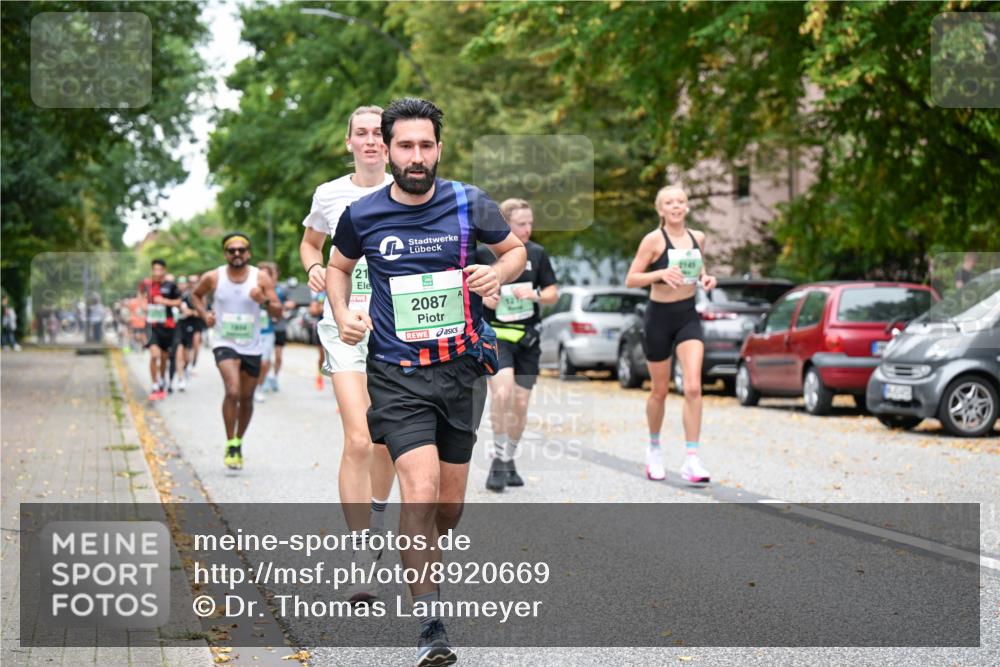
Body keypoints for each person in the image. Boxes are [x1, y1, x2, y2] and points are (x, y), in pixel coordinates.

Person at [327, 97, 526, 666]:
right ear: (386, 150)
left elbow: (513, 253)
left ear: (439, 148)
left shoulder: (470, 202)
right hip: (396, 373)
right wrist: (344, 315)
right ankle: (430, 625)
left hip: (462, 371)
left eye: (426, 146)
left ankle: (421, 555)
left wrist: (497, 270)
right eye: (406, 146)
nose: (417, 157)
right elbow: (338, 268)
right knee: (418, 489)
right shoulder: (362, 214)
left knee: (448, 506)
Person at [298, 105, 397, 602]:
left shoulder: (412, 190)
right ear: (349, 142)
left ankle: (377, 520)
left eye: (380, 133)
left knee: (385, 441)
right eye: (362, 133)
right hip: (345, 327)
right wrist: (315, 268)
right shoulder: (330, 194)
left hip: (399, 333)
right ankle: (361, 552)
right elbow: (310, 242)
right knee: (359, 439)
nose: (372, 141)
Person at [625, 184, 717, 484]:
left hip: (688, 315)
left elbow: (699, 270)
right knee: (660, 391)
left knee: (692, 387)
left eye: (680, 201)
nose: (676, 206)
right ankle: (654, 449)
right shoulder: (653, 240)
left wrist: (706, 278)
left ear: (687, 207)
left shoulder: (697, 238)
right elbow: (631, 279)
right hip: (658, 318)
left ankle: (692, 458)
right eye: (669, 202)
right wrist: (659, 274)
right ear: (661, 209)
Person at [477, 199, 558, 492]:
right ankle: (498, 460)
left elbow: (552, 293)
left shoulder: (537, 253)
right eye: (521, 223)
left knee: (521, 404)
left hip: (527, 338)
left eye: (530, 223)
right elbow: (462, 287)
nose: (527, 228)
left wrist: (535, 294)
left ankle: (509, 457)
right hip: (496, 336)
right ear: (506, 225)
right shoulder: (482, 253)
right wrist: (482, 298)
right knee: (503, 392)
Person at [190, 233, 282, 470]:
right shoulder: (213, 277)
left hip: (251, 345)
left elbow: (278, 313)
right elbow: (195, 295)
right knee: (232, 391)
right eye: (232, 250)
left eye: (242, 250)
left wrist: (263, 300)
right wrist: (204, 314)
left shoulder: (259, 277)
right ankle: (230, 441)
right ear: (225, 254)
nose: (237, 254)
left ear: (249, 253)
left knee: (246, 397)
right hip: (224, 341)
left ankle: (239, 440)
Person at [139, 259, 182, 401]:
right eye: (154, 269)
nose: (157, 272)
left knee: (164, 358)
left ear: (164, 270)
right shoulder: (147, 284)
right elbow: (141, 297)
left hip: (167, 326)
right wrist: (143, 305)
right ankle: (154, 384)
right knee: (154, 354)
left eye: (159, 269)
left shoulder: (171, 286)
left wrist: (164, 302)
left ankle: (162, 379)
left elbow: (179, 302)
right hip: (153, 326)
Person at [264, 265, 293, 392]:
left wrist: (286, 305)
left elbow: (291, 302)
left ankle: (274, 377)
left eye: (274, 273)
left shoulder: (282, 288)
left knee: (278, 356)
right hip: (266, 326)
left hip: (280, 326)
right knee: (266, 356)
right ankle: (264, 379)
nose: (271, 276)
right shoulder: (263, 288)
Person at [254, 262, 278, 403]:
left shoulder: (272, 291)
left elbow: (279, 310)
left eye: (266, 274)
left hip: (267, 332)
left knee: (264, 363)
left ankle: (259, 388)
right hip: (250, 332)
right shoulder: (250, 289)